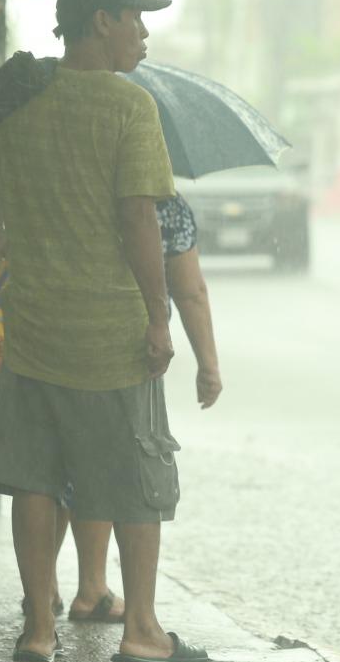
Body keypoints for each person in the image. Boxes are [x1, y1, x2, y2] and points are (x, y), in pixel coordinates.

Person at [0, 0, 208, 662]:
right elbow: (139, 215)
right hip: (109, 337)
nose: (144, 31)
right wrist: (158, 319)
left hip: (32, 332)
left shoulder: (19, 98)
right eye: (135, 16)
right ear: (100, 21)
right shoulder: (130, 109)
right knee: (134, 485)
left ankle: (39, 631)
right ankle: (142, 632)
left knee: (35, 479)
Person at [59, 193, 222, 622]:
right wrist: (208, 366)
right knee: (127, 466)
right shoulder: (162, 204)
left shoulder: (68, 188)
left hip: (53, 343)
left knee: (63, 464)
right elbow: (190, 291)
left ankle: (50, 607)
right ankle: (136, 622)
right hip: (128, 351)